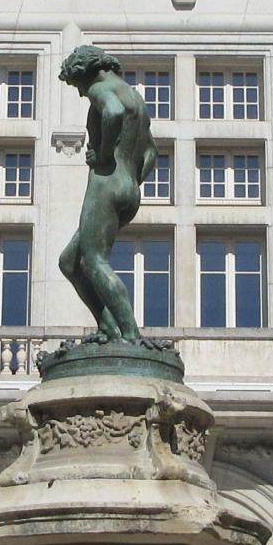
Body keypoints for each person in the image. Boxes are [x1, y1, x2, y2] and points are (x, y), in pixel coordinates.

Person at [57, 44, 158, 344]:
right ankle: (110, 329)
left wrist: (102, 156)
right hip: (128, 186)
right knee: (70, 262)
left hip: (106, 182)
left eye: (77, 85)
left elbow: (112, 113)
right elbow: (151, 152)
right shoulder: (135, 98)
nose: (80, 93)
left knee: (94, 260)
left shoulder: (101, 89)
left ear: (86, 73)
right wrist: (131, 184)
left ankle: (130, 335)